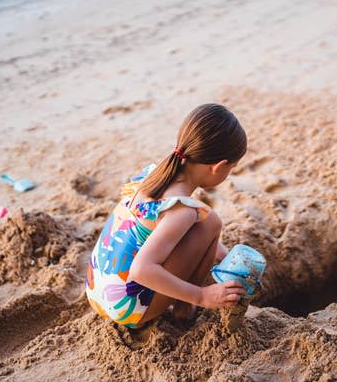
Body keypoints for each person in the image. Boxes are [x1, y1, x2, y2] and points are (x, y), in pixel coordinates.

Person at [85, 103, 248, 328]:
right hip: (126, 309)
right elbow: (142, 270)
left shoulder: (155, 173)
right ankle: (183, 308)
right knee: (210, 222)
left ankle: (181, 301)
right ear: (219, 167)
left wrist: (223, 256)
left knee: (200, 221)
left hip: (97, 289)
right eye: (231, 169)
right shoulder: (181, 210)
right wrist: (201, 296)